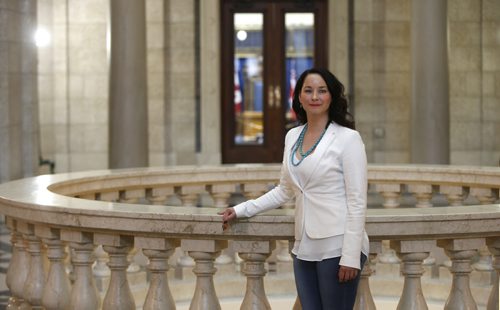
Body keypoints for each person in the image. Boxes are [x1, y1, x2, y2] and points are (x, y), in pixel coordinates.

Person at [219, 68, 369, 310]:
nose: (315, 96)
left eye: (322, 91)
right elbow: (284, 190)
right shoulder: (292, 136)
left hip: (337, 246)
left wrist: (350, 256)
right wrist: (241, 209)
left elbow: (357, 201)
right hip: (303, 246)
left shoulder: (348, 139)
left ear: (332, 96)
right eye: (308, 90)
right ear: (299, 96)